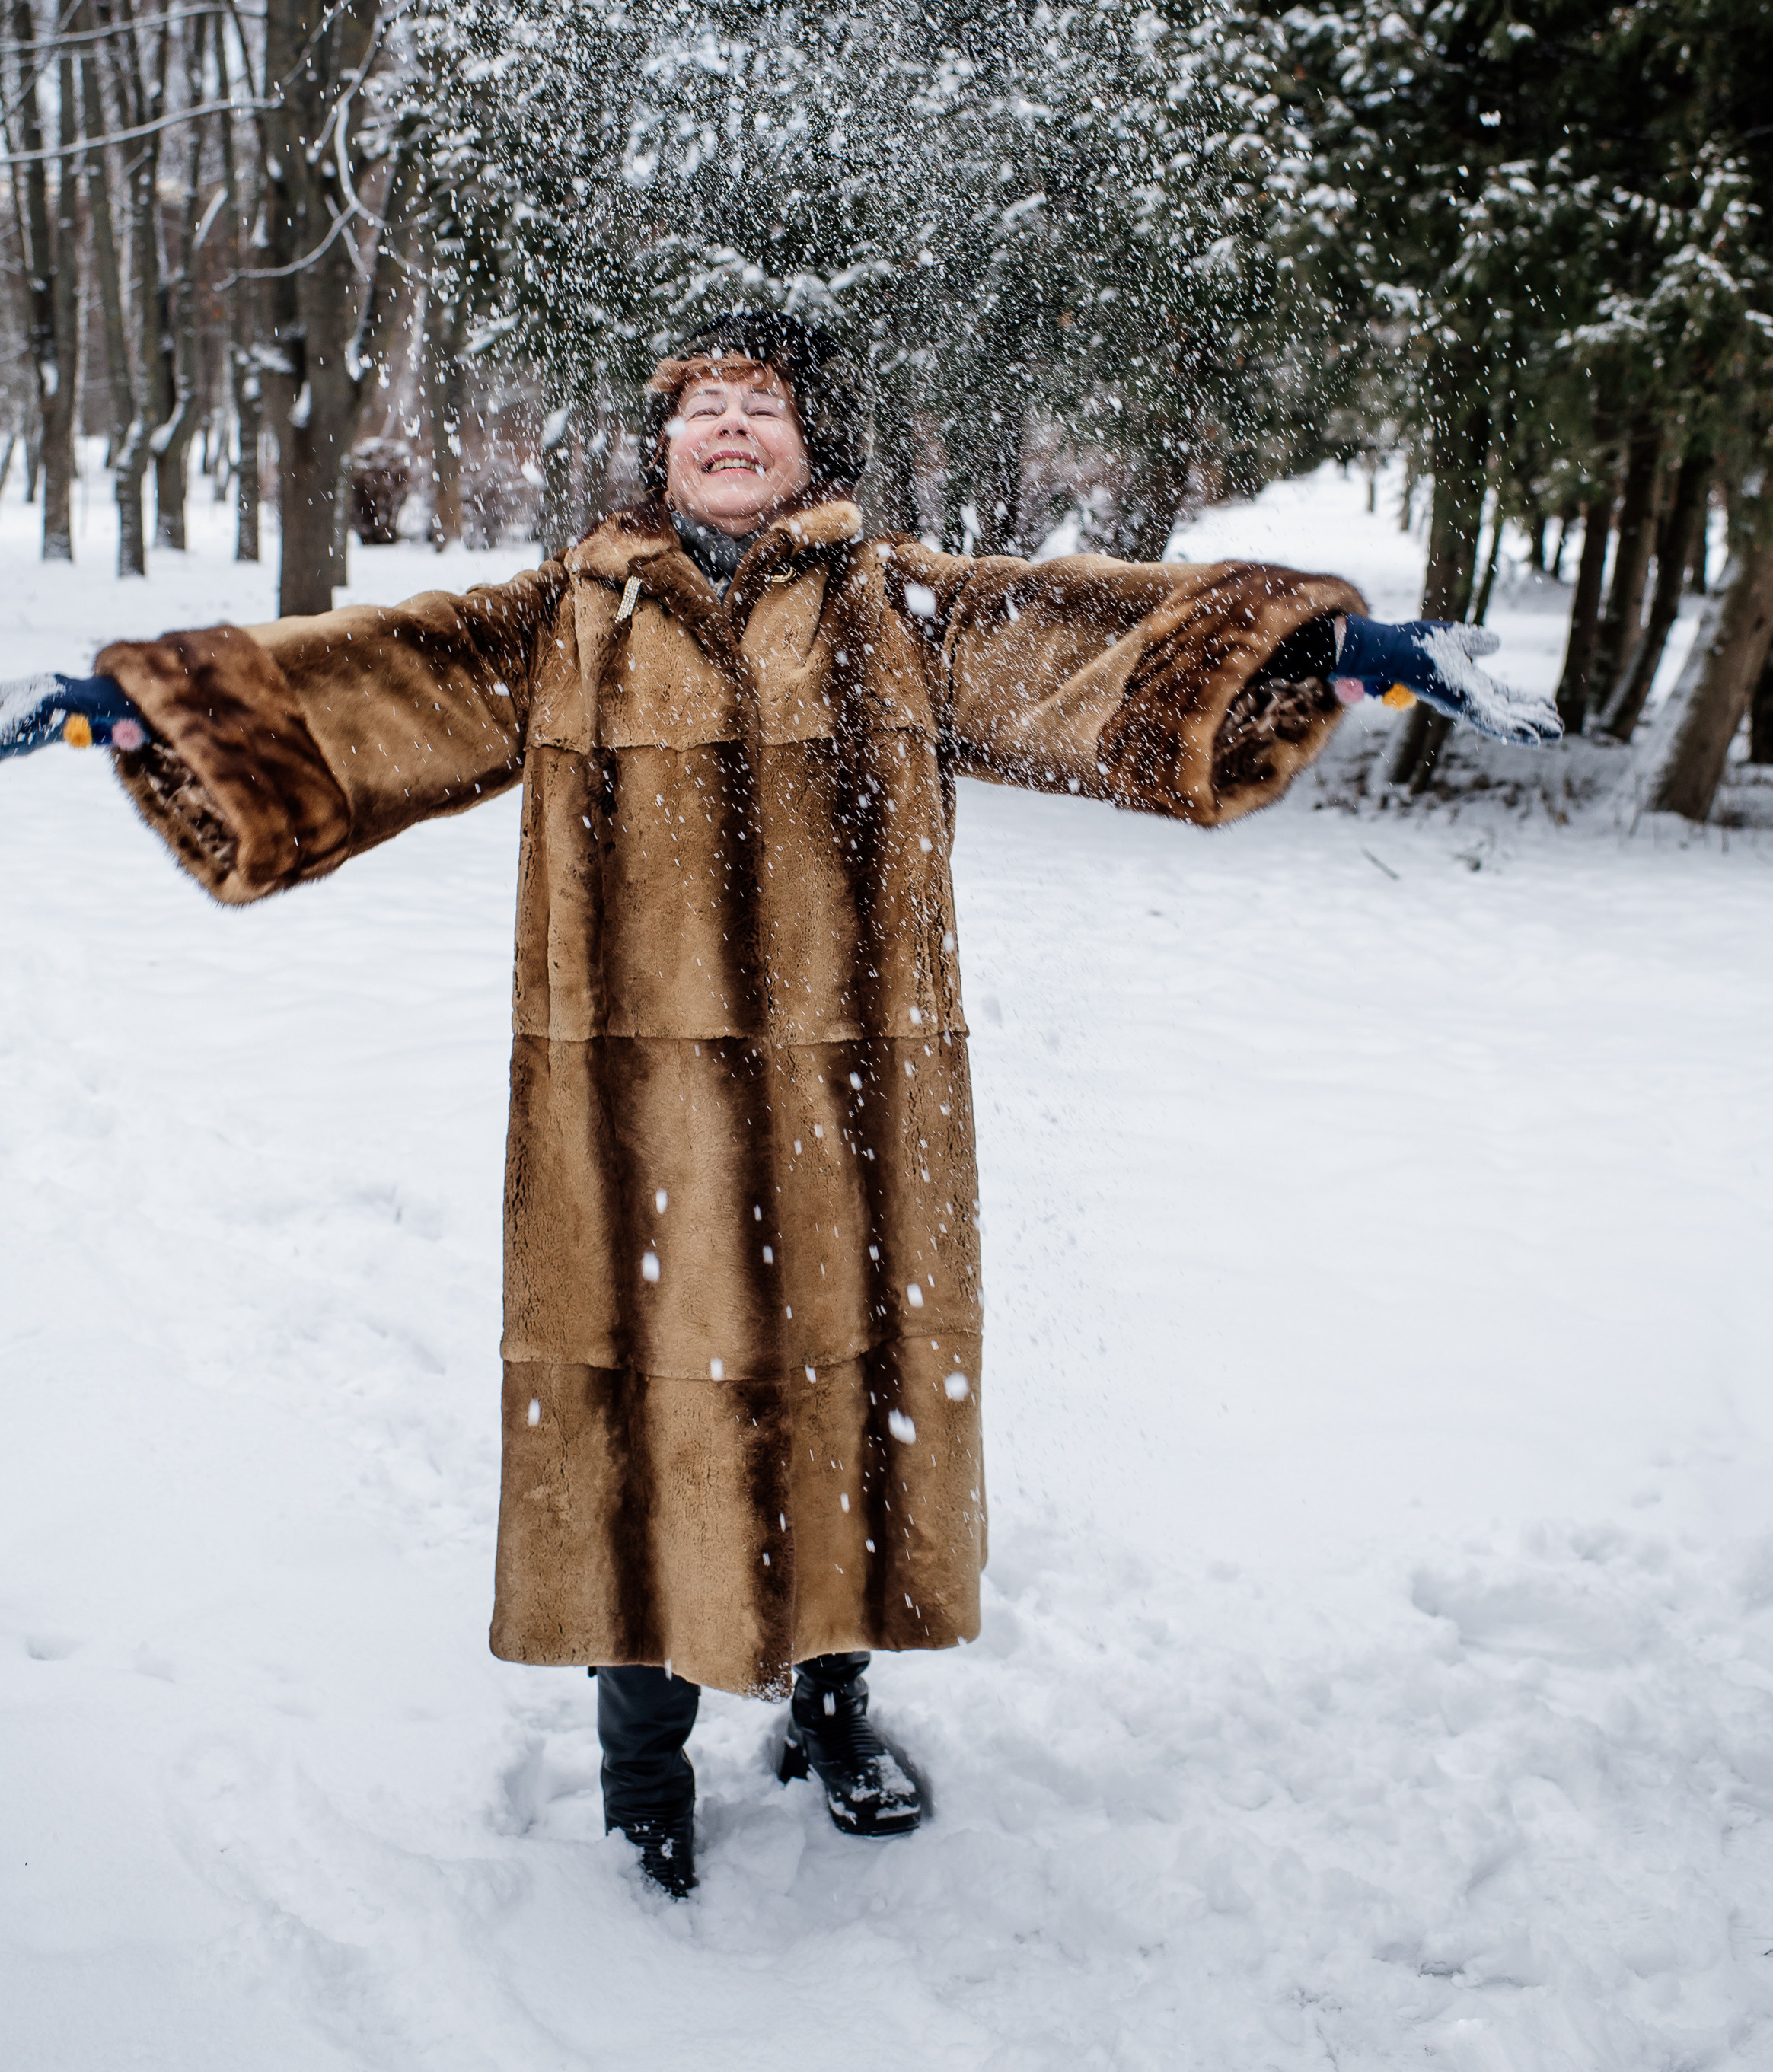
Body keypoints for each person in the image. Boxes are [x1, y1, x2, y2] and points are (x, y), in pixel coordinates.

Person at [0, 311, 1560, 1897]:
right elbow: (372, 686)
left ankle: (830, 1708)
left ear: (807, 446)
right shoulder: (563, 617)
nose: (732, 429)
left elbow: (1085, 644)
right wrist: (153, 705)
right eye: (703, 410)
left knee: (849, 1406)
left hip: (857, 1127)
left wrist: (1327, 651)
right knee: (639, 1430)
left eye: (761, 406)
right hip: (633, 1143)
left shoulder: (901, 610)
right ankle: (642, 1771)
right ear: (660, 447)